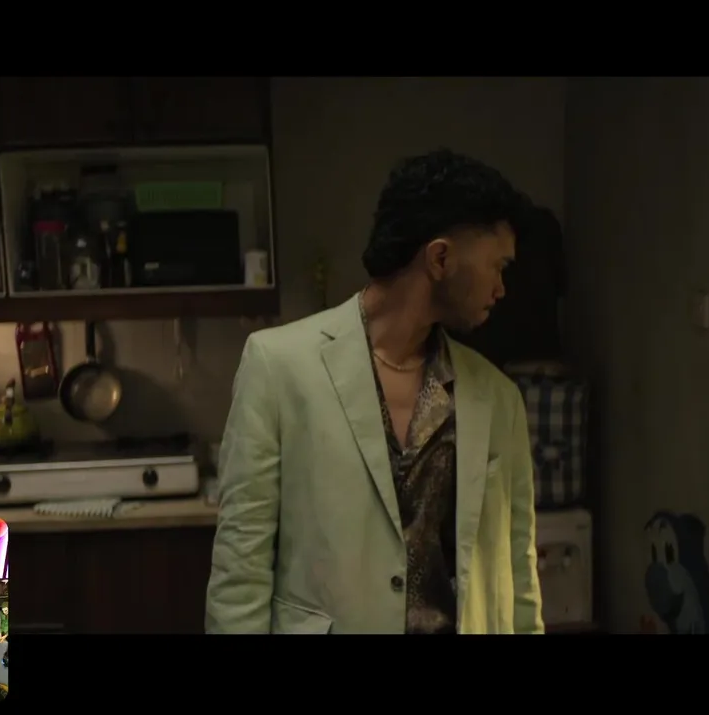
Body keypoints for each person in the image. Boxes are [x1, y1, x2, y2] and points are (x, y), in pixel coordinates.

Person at [206, 148, 544, 634]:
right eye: (498, 266)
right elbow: (240, 571)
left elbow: (519, 574)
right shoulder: (278, 368)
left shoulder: (497, 397)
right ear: (440, 258)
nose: (502, 288)